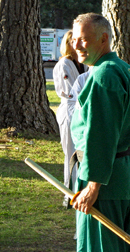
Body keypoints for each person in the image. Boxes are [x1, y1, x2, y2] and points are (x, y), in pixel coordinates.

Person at [69, 13, 130, 252]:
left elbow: (101, 135)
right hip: (123, 176)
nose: (77, 45)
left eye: (84, 39)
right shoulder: (124, 69)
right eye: (74, 40)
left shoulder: (105, 75)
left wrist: (93, 186)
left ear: (103, 39)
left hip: (107, 181)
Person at [53, 30, 87, 206]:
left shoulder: (83, 64)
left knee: (81, 152)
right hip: (69, 109)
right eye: (72, 41)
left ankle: (81, 188)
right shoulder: (64, 64)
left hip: (82, 110)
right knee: (70, 153)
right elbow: (70, 91)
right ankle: (69, 193)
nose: (76, 44)